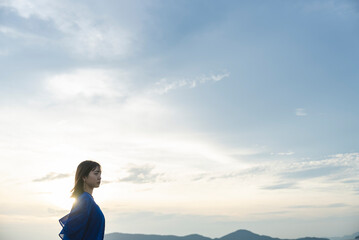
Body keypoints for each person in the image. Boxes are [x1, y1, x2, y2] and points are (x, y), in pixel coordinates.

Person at [59, 160, 105, 240]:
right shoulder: (85, 200)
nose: (99, 177)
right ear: (84, 177)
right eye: (96, 173)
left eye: (100, 174)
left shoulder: (88, 199)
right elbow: (71, 232)